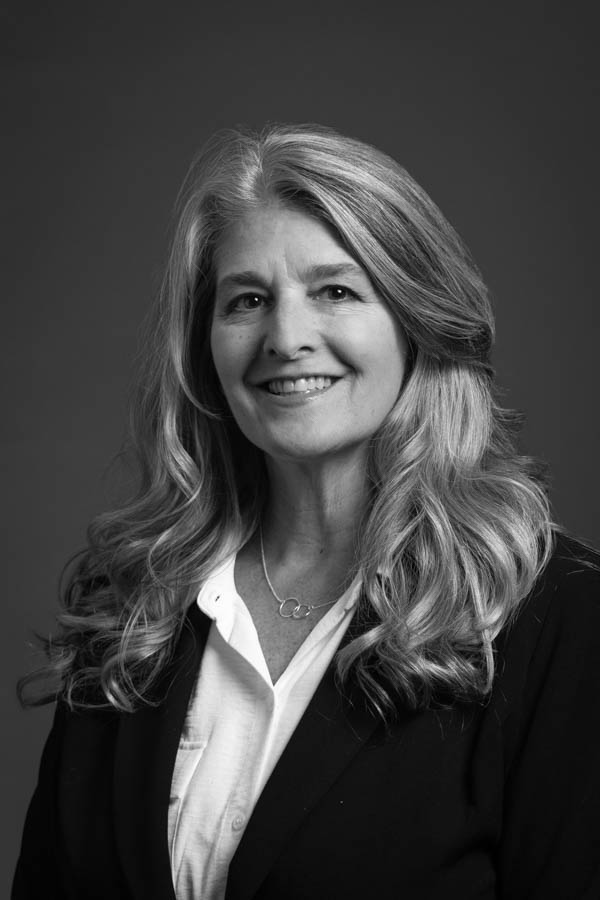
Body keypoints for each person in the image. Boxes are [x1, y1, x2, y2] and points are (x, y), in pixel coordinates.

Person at [13, 123, 600, 900]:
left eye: (336, 292)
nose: (286, 338)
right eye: (248, 301)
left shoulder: (558, 619)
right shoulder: (130, 609)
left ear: (418, 322)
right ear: (205, 348)